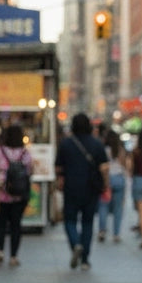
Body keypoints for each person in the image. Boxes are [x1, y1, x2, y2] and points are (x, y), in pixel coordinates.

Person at [55, 113, 108, 269]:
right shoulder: (97, 144)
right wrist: (106, 184)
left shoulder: (66, 144)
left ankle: (75, 243)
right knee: (88, 222)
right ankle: (85, 259)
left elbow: (58, 168)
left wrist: (60, 181)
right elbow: (104, 167)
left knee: (70, 220)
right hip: (91, 188)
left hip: (71, 187)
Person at [0, 124, 34, 266]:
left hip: (1, 193)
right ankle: (14, 256)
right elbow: (30, 171)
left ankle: (0, 250)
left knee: (0, 223)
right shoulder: (25, 153)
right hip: (19, 194)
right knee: (16, 225)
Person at [97, 129, 127, 243]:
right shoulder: (120, 150)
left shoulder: (103, 150)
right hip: (119, 179)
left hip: (106, 178)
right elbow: (125, 166)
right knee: (118, 208)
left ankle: (102, 231)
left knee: (103, 206)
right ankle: (116, 234)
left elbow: (102, 166)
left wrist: (105, 181)